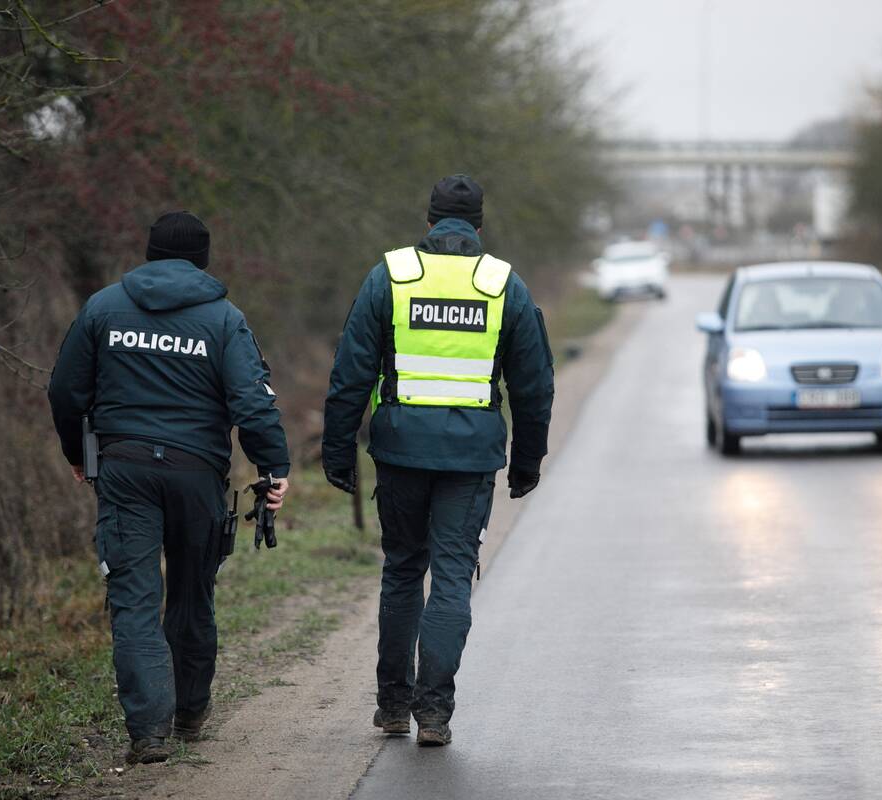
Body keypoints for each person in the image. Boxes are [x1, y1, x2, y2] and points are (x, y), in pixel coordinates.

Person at [47, 211, 290, 764]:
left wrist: (77, 453)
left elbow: (64, 391)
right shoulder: (225, 320)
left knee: (133, 601)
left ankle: (148, 733)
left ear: (150, 253)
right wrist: (273, 468)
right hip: (196, 473)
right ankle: (190, 713)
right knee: (191, 592)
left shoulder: (103, 308)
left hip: (125, 470)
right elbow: (253, 403)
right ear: (203, 260)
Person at [322, 175, 555, 746]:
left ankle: (394, 706)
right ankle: (435, 713)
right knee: (452, 577)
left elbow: (349, 372)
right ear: (479, 227)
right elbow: (534, 387)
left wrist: (337, 452)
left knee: (403, 569)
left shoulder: (392, 277)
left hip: (400, 450)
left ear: (428, 223)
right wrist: (526, 462)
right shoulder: (503, 284)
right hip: (470, 456)